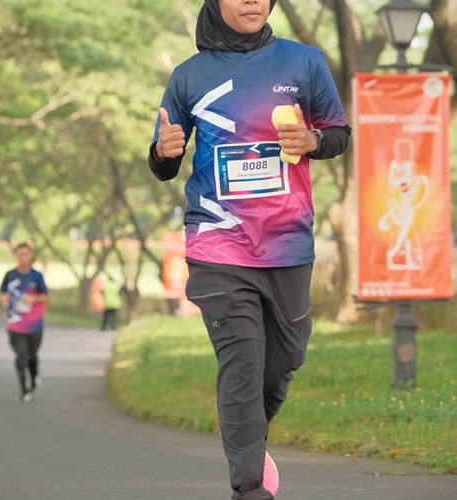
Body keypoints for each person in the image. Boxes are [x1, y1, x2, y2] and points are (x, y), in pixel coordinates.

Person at [149, 1, 351, 498]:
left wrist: (312, 140)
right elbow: (165, 160)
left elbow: (338, 135)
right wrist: (162, 152)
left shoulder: (304, 61)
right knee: (242, 363)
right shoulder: (189, 76)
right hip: (217, 243)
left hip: (288, 243)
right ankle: (249, 486)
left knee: (284, 360)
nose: (252, 1)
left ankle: (247, 438)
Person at [0, 243, 48, 402]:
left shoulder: (36, 276)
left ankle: (34, 378)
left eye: (25, 254)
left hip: (34, 324)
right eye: (20, 254)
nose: (23, 257)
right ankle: (23, 390)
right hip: (15, 323)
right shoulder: (10, 275)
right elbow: (2, 292)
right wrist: (4, 299)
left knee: (32, 356)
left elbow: (45, 297)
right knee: (21, 356)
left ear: (30, 256)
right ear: (16, 256)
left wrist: (33, 298)